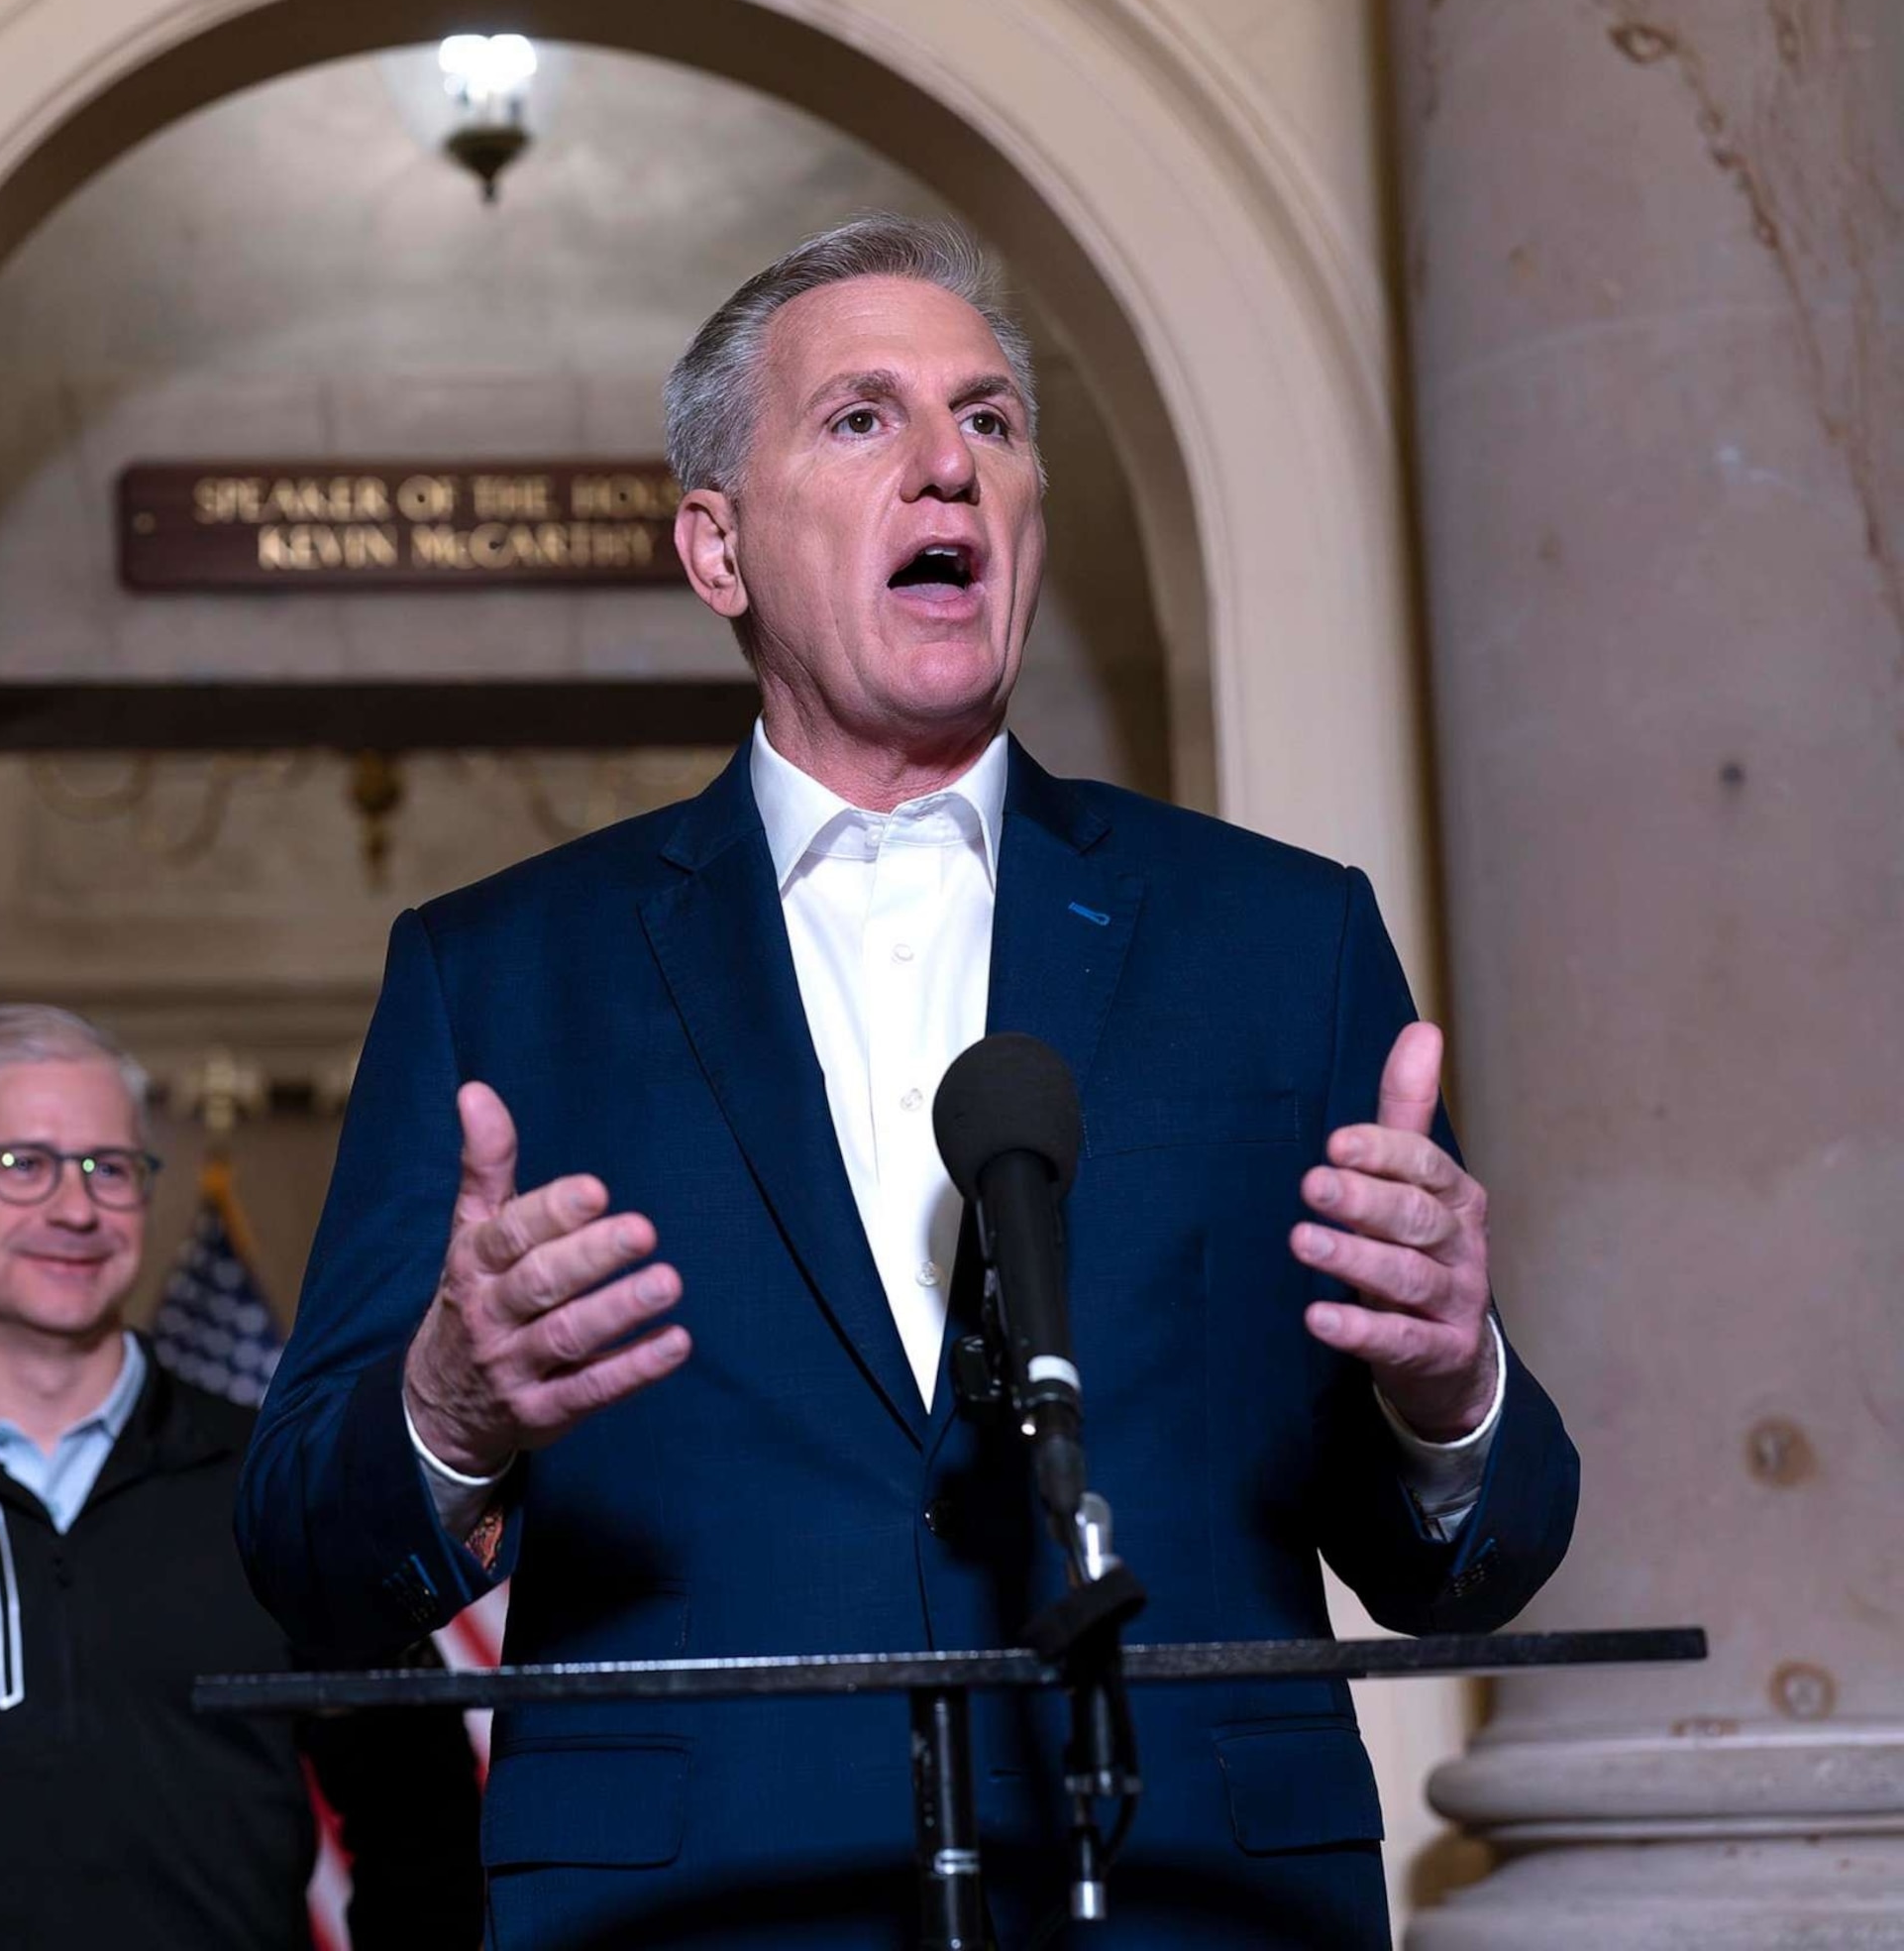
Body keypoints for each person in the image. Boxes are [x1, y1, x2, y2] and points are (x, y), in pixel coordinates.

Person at [236, 216, 1579, 1949]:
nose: (947, 460)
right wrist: (447, 1411)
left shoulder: (1279, 942)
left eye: (991, 422)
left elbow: (1461, 1558)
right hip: (695, 1910)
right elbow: (303, 1550)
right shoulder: (498, 972)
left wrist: (1445, 1381)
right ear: (713, 547)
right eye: (861, 419)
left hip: (1183, 1897)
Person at [0, 1004, 481, 1949]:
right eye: (20, 1164)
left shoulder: (280, 1490)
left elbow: (425, 1824)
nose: (74, 1208)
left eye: (108, 1168)